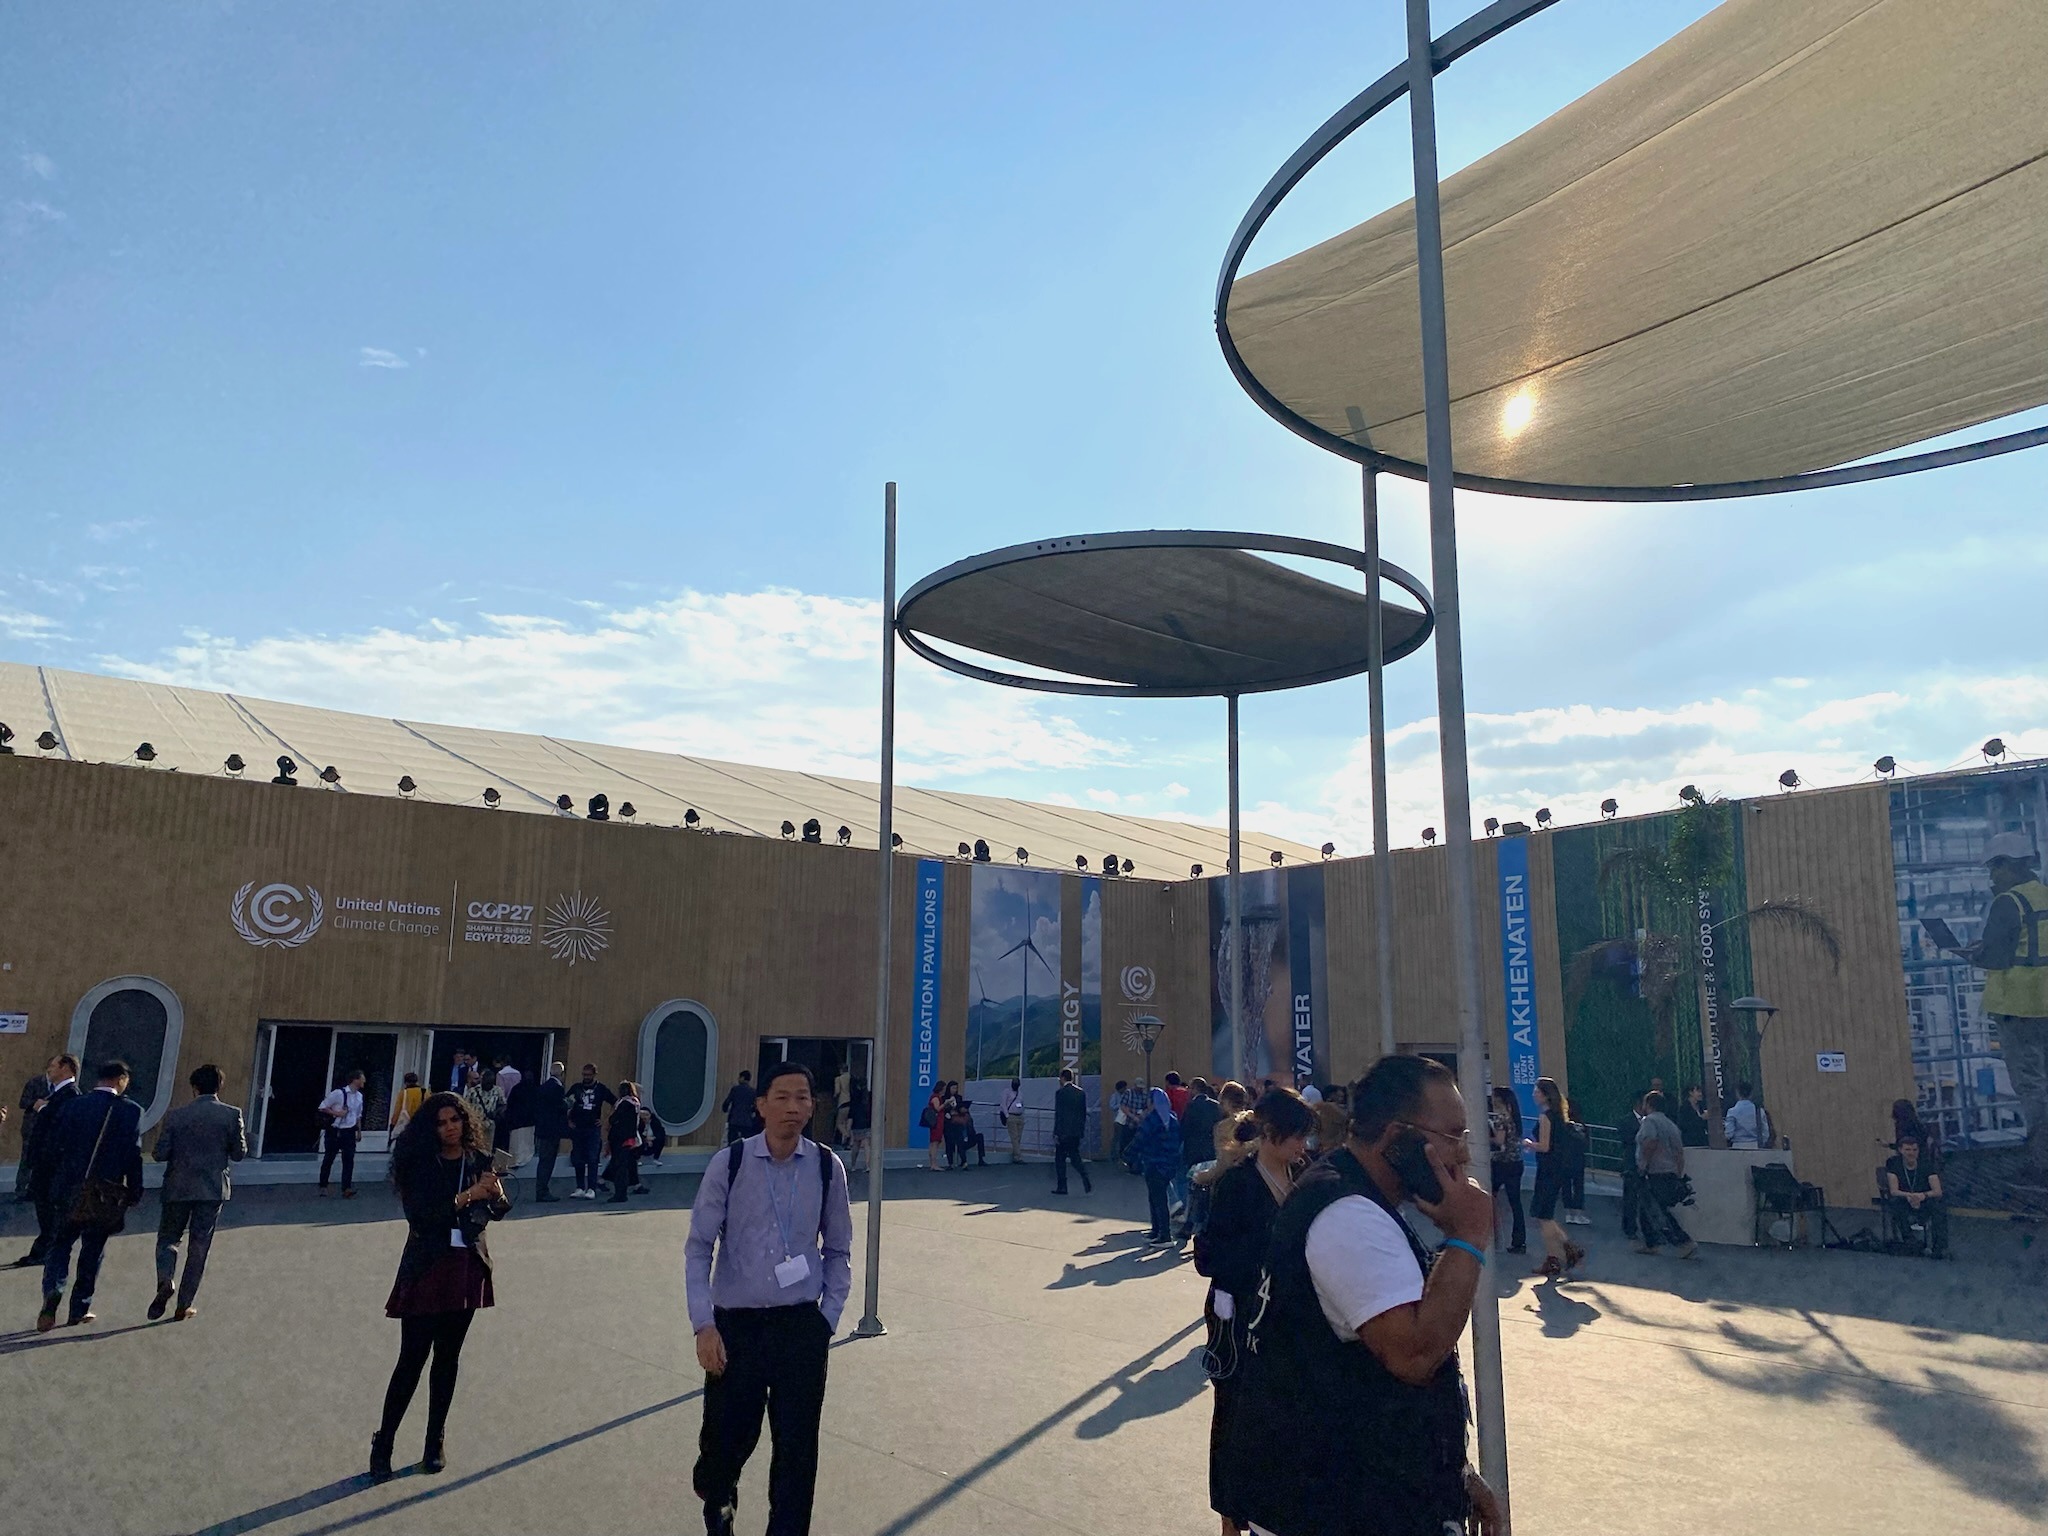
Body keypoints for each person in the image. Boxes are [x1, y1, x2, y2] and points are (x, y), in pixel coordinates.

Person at [1227, 1056, 1504, 1536]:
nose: (1463, 1156)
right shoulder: (1348, 1215)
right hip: (1332, 1506)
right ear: (1399, 1138)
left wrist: (1451, 1475)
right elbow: (1414, 1354)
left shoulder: (1349, 1194)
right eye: (1453, 1136)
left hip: (1359, 1494)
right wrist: (1468, 1235)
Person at [686, 1060, 852, 1536]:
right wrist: (704, 1324)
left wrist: (828, 1319)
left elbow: (838, 1248)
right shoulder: (731, 1163)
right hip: (735, 1326)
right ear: (760, 1106)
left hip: (801, 1327)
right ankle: (717, 1494)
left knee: (797, 1449)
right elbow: (699, 1247)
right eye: (782, 1097)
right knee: (727, 1438)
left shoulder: (826, 1165)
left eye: (803, 1097)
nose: (793, 1107)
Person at [370, 1092, 509, 1480]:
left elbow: (497, 1209)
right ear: (430, 1128)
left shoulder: (478, 1160)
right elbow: (422, 1216)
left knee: (447, 1359)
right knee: (411, 1360)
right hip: (427, 1266)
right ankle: (384, 1444)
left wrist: (495, 1195)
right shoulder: (418, 1163)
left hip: (465, 1265)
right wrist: (469, 1196)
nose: (450, 1128)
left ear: (466, 1121)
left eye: (455, 1120)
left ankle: (434, 1442)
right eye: (441, 1122)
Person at [1197, 1087, 1312, 1536]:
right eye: (1296, 1137)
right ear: (1270, 1133)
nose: (1303, 1147)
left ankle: (1266, 1509)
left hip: (1287, 1319)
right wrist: (1268, 1252)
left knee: (1277, 1417)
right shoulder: (1238, 1182)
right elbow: (1210, 1255)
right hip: (1240, 1315)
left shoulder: (1302, 1175)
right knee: (1234, 1416)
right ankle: (1231, 1517)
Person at [36, 1060, 144, 1332]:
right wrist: (134, 1191)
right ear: (121, 1079)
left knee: (60, 1244)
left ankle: (53, 1290)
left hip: (68, 1188)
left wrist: (49, 1184)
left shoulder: (74, 1105)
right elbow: (134, 1156)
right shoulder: (130, 1112)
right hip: (104, 1194)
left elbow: (52, 1147)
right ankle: (79, 1308)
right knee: (92, 1250)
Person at [1964, 831, 2048, 1159]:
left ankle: (2041, 1159)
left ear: (2008, 865)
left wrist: (1973, 954)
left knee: (2031, 1084)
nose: (1992, 876)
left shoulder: (2007, 901)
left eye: (1994, 868)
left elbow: (1996, 958)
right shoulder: (2044, 894)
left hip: (2018, 1007)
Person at [149, 1063, 247, 1321]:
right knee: (199, 1246)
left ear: (194, 1088)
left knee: (168, 1238)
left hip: (177, 1185)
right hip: (212, 1188)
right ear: (220, 1087)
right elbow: (239, 1153)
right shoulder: (231, 1114)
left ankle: (165, 1279)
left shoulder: (176, 1115)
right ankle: (184, 1305)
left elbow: (159, 1154)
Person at [12, 1053, 78, 1267]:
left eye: (53, 1066)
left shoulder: (71, 1095)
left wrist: (44, 1109)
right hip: (44, 1165)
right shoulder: (57, 1094)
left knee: (50, 1211)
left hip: (52, 1167)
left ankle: (46, 1251)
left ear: (66, 1068)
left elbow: (61, 1125)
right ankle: (46, 1249)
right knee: (45, 1210)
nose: (49, 1070)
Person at [1523, 1075, 1585, 1278]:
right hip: (1556, 1168)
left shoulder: (1546, 1117)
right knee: (1544, 1215)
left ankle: (1569, 1248)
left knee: (1544, 1215)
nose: (1534, 1094)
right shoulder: (1560, 1115)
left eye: (1536, 1091)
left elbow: (1544, 1145)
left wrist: (1529, 1144)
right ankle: (1552, 1259)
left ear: (1545, 1095)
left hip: (1548, 1169)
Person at [1633, 1090, 1698, 1258]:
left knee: (1657, 1209)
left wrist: (1644, 1165)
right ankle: (1652, 1242)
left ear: (1649, 1105)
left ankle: (1683, 1241)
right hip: (1669, 1171)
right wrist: (1678, 1171)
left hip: (1654, 1171)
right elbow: (1679, 1152)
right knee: (1647, 1207)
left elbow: (1650, 1142)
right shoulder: (1671, 1125)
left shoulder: (1649, 1121)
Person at [1128, 1086, 1182, 1245]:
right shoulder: (1172, 1119)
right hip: (1168, 1165)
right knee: (1159, 1198)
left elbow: (1140, 1139)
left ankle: (1163, 1234)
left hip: (1153, 1163)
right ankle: (1157, 1231)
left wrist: (1127, 1156)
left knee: (1156, 1199)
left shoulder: (1152, 1119)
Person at [1885, 1134, 1948, 1258]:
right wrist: (1909, 1196)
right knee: (1895, 1204)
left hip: (1924, 1198)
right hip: (1904, 1198)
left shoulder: (1927, 1164)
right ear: (1900, 1150)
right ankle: (1910, 1241)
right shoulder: (1893, 1163)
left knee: (1938, 1207)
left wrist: (1922, 1196)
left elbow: (1937, 1191)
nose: (1911, 1153)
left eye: (1914, 1150)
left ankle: (1939, 1247)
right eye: (1907, 1150)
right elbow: (1894, 1190)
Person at [1177, 1078, 1224, 1240]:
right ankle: (1203, 1223)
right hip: (1212, 1152)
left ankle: (1189, 1223)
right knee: (1209, 1189)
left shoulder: (1191, 1106)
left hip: (1194, 1153)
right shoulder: (1215, 1106)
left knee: (1193, 1188)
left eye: (1190, 1088)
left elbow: (1183, 1129)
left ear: (1195, 1089)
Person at [565, 1063, 615, 1200]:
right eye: (584, 1074)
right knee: (578, 1158)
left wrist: (606, 1119)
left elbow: (614, 1102)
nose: (586, 1077)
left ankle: (592, 1188)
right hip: (578, 1127)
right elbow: (566, 1104)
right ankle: (580, 1187)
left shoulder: (601, 1089)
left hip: (593, 1128)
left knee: (593, 1158)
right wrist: (569, 1120)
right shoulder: (576, 1088)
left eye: (588, 1075)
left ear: (594, 1074)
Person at [1487, 1086, 1527, 1256]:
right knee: (1515, 1203)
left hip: (1501, 1163)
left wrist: (1487, 1134)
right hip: (1516, 1162)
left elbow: (1499, 1140)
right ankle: (1519, 1241)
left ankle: (1491, 1235)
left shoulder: (1501, 1120)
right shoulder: (1514, 1118)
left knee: (1489, 1196)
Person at [318, 1069, 366, 1198]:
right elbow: (322, 1106)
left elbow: (358, 1115)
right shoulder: (339, 1093)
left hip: (349, 1131)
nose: (364, 1081)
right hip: (335, 1130)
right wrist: (337, 1113)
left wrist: (359, 1131)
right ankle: (323, 1185)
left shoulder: (359, 1096)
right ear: (355, 1079)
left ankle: (346, 1187)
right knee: (329, 1158)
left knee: (349, 1159)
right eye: (362, 1078)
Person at [532, 1062, 570, 1201]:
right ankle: (542, 1191)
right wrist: (568, 1104)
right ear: (562, 1074)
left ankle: (540, 1189)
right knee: (548, 1161)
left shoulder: (542, 1087)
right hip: (552, 1130)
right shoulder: (557, 1088)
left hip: (542, 1129)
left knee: (543, 1160)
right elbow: (560, 1107)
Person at [1051, 1067, 1092, 1195]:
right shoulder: (1081, 1093)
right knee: (1075, 1157)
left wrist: (1056, 1132)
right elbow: (1083, 1114)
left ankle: (1062, 1186)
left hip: (1063, 1132)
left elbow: (1059, 1115)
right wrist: (1081, 1130)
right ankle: (1084, 1176)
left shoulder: (1060, 1093)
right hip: (1075, 1132)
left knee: (1060, 1160)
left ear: (1063, 1078)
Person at [15, 1061, 51, 1199]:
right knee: (26, 1158)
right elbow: (23, 1102)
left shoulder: (61, 1088)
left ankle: (35, 1189)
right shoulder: (35, 1082)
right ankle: (20, 1188)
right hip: (31, 1127)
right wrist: (37, 1103)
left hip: (47, 1128)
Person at [1617, 1088, 1649, 1243]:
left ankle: (1646, 1228)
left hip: (1646, 1163)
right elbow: (1626, 1141)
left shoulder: (1650, 1120)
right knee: (1630, 1198)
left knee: (1645, 1198)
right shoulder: (1626, 1120)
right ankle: (1629, 1228)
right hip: (1631, 1163)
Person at [606, 1080, 645, 1202]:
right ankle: (629, 1187)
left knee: (620, 1167)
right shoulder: (635, 1103)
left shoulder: (624, 1104)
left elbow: (613, 1119)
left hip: (620, 1138)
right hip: (630, 1138)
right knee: (626, 1165)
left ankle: (620, 1194)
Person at [461, 1066, 504, 1153]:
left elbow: (503, 1104)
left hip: (490, 1124)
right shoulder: (473, 1091)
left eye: (490, 1083)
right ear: (482, 1080)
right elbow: (465, 1106)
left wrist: (496, 1113)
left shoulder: (497, 1091)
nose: (488, 1085)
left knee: (487, 1149)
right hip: (475, 1124)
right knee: (475, 1146)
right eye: (486, 1082)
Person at [1724, 1081, 1771, 1149]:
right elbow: (1765, 1132)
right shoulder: (1759, 1111)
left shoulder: (1732, 1112)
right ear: (1751, 1094)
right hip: (1756, 1146)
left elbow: (1729, 1134)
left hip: (1737, 1146)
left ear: (1737, 1093)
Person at [721, 1071, 760, 1146]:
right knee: (746, 1144)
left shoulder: (735, 1089)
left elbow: (727, 1102)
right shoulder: (753, 1092)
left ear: (742, 1078)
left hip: (734, 1120)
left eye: (739, 1077)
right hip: (747, 1122)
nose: (738, 1079)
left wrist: (725, 1109)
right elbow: (756, 1106)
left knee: (731, 1143)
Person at [1111, 1079, 1142, 1161]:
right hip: (1119, 1120)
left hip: (1126, 1120)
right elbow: (1112, 1106)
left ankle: (1121, 1156)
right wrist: (1121, 1105)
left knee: (1122, 1138)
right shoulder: (1116, 1095)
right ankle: (1115, 1156)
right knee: (1118, 1138)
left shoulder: (1128, 1094)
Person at [845, 1081, 872, 1174]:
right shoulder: (869, 1097)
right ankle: (868, 1165)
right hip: (867, 1123)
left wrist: (848, 1129)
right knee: (867, 1144)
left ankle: (853, 1166)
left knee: (856, 1145)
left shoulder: (855, 1099)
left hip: (857, 1124)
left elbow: (851, 1114)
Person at [999, 1077, 1025, 1163]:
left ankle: (1015, 1154)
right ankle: (1018, 1157)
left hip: (1020, 1116)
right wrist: (1007, 1115)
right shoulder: (1006, 1092)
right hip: (1011, 1116)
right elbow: (1003, 1104)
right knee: (1014, 1137)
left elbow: (1022, 1103)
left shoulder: (1020, 1093)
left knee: (1018, 1137)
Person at [1676, 1083, 1711, 1147]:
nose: (1700, 1094)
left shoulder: (1701, 1106)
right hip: (1690, 1142)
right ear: (1690, 1093)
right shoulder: (1684, 1108)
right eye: (1698, 1092)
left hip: (1702, 1141)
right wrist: (1701, 1118)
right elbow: (1684, 1125)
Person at [921, 1085, 946, 1172]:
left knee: (934, 1142)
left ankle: (933, 1163)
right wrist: (946, 1103)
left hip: (937, 1122)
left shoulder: (937, 1097)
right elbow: (937, 1109)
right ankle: (933, 1164)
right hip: (936, 1122)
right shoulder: (935, 1098)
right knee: (934, 1143)